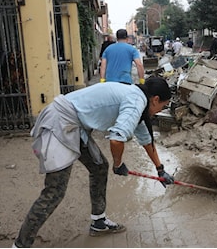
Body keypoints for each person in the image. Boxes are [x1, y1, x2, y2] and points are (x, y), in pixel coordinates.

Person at [13, 77, 175, 248]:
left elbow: (146, 140)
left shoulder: (138, 101)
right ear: (155, 99)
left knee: (99, 167)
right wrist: (118, 164)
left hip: (76, 126)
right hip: (61, 121)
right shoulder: (136, 101)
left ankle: (98, 222)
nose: (160, 111)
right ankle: (20, 245)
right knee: (55, 191)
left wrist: (160, 170)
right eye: (163, 106)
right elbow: (116, 140)